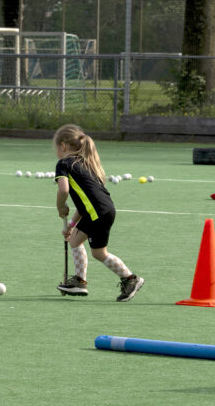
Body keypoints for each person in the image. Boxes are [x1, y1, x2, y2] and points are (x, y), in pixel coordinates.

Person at [53, 124, 144, 302]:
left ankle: (130, 279)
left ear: (63, 146)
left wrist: (60, 207)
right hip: (102, 210)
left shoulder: (64, 164)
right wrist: (71, 226)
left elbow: (63, 190)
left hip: (97, 213)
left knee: (99, 253)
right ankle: (81, 282)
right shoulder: (86, 165)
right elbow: (83, 204)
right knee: (76, 241)